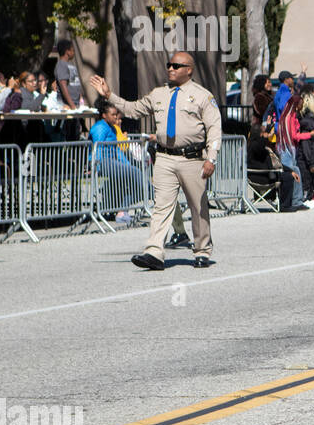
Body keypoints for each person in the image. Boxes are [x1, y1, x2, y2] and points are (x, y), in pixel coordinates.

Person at [88, 51, 222, 269]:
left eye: (177, 66)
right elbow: (133, 109)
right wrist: (109, 95)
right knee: (161, 206)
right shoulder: (158, 93)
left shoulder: (202, 96)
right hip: (165, 158)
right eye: (169, 65)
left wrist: (212, 159)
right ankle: (154, 252)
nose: (171, 68)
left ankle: (202, 250)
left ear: (189, 70)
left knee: (198, 207)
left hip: (193, 158)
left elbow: (215, 129)